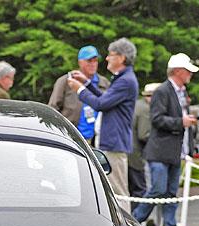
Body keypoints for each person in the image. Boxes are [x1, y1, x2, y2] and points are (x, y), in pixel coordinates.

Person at [131, 53, 199, 226]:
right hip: (160, 151)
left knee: (170, 192)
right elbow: (157, 119)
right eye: (188, 71)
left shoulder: (181, 92)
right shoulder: (162, 91)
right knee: (158, 190)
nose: (191, 75)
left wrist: (188, 147)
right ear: (178, 71)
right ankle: (134, 222)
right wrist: (181, 122)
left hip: (174, 151)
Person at [68, 37, 139, 212]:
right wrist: (85, 83)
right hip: (112, 142)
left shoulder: (125, 80)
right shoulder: (123, 78)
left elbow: (100, 104)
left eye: (111, 55)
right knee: (112, 190)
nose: (106, 58)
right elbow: (104, 98)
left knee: (118, 192)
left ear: (121, 58)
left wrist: (79, 89)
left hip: (114, 144)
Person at [48, 46, 109, 144]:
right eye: (89, 61)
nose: (93, 64)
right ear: (80, 62)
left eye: (95, 61)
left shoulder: (104, 83)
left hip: (96, 140)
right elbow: (52, 109)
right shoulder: (66, 82)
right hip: (70, 137)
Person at [129, 82, 158, 200]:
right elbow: (144, 135)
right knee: (140, 190)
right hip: (136, 156)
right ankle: (138, 217)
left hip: (128, 153)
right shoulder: (146, 109)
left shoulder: (138, 105)